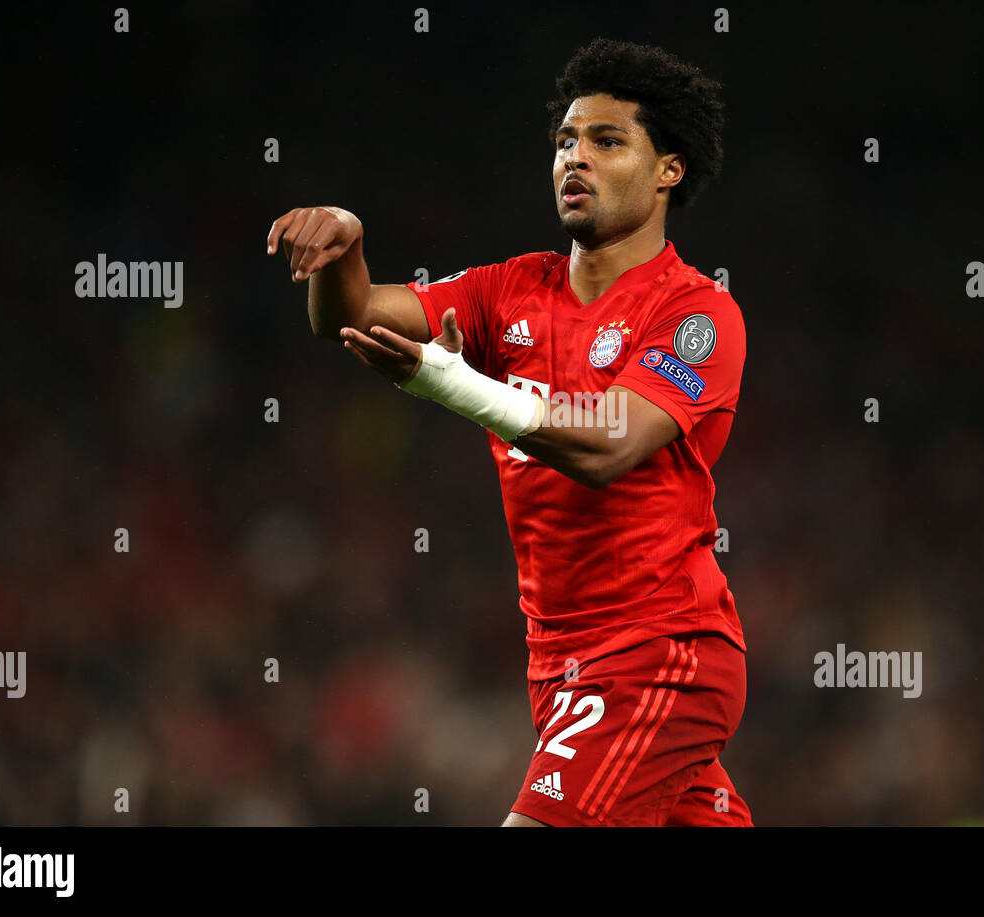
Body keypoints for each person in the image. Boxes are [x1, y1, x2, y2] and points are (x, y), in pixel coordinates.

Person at [267, 37, 752, 826]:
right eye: (566, 140)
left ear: (670, 168)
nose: (576, 158)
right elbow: (347, 317)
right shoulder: (511, 290)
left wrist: (454, 383)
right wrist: (342, 248)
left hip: (656, 652)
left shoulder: (696, 312)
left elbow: (612, 443)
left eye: (606, 140)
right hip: (559, 663)